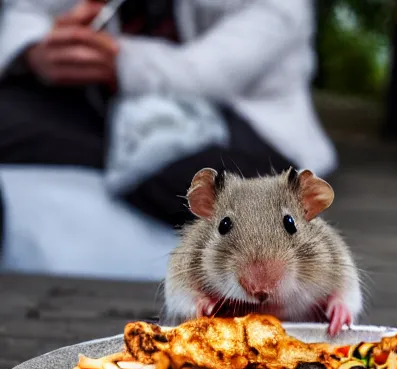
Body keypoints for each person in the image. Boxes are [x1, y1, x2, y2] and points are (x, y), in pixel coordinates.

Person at [0, 0, 338, 233]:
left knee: (205, 186)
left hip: (238, 126)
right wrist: (35, 50)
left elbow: (210, 75)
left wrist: (110, 56)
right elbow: (26, 12)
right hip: (106, 111)